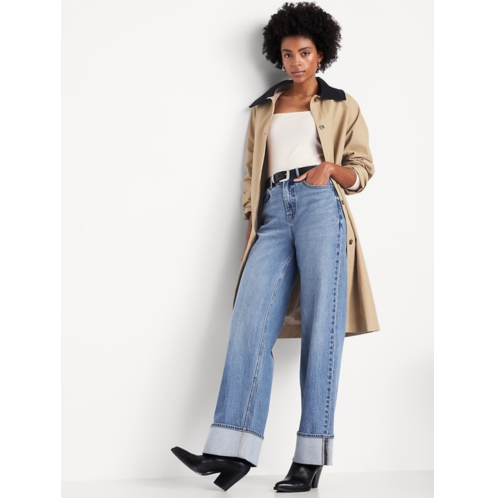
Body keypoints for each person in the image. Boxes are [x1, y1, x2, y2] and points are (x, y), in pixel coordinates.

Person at [171, 1, 379, 493]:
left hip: (320, 206)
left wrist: (330, 170)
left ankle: (310, 459)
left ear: (321, 53)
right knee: (248, 324)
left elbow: (363, 169)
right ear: (277, 56)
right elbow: (252, 175)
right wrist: (254, 221)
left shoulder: (342, 103)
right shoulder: (263, 108)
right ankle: (232, 450)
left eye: (304, 52)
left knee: (322, 333)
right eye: (287, 54)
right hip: (271, 214)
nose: (295, 62)